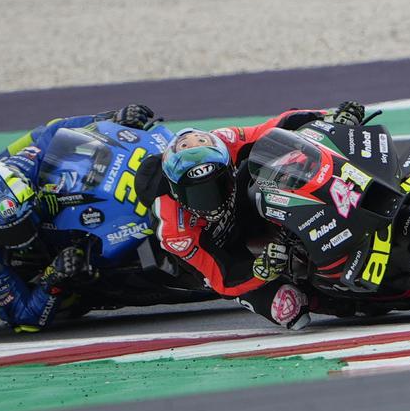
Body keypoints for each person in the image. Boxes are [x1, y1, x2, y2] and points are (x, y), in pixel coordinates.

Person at [0, 105, 157, 332]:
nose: (21, 238)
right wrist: (52, 278)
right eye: (9, 232)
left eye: (24, 224)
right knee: (67, 298)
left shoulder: (21, 167)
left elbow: (55, 131)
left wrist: (112, 117)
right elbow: (26, 319)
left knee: (49, 155)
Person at [133, 102, 366, 330]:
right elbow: (222, 278)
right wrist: (260, 269)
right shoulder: (175, 230)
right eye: (198, 194)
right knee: (289, 309)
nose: (211, 200)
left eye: (217, 184)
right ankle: (327, 298)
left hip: (242, 205)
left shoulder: (224, 142)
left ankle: (336, 205)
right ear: (176, 191)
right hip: (221, 253)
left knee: (279, 160)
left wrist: (330, 118)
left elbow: (277, 127)